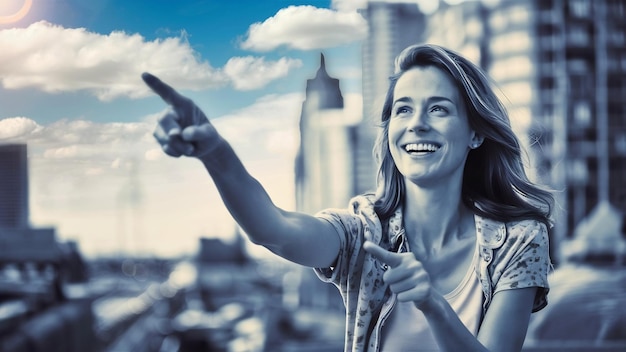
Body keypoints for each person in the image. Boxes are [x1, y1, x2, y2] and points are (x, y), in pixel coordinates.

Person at [144, 43, 554, 352]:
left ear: (476, 133)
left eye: (439, 110)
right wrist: (216, 152)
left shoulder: (519, 238)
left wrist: (433, 303)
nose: (417, 125)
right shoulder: (363, 232)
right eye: (404, 110)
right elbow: (274, 229)